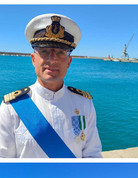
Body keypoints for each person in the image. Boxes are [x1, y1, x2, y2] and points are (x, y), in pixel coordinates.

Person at [0, 13, 102, 158]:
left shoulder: (84, 103)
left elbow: (93, 155)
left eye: (60, 52)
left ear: (69, 62)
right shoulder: (10, 108)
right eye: (44, 51)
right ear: (33, 59)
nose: (52, 59)